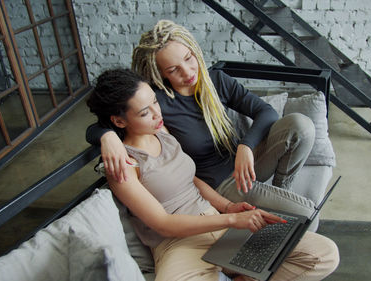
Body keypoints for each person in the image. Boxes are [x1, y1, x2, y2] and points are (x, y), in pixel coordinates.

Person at [86, 68, 339, 281]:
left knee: (324, 253)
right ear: (119, 122)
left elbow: (191, 180)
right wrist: (230, 221)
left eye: (154, 101)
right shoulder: (122, 165)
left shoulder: (163, 133)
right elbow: (162, 223)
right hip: (177, 244)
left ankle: (242, 275)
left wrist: (228, 207)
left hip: (214, 221)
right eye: (145, 112)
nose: (157, 112)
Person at [86, 20, 317, 199]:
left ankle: (283, 189)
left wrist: (246, 146)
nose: (188, 72)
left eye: (189, 58)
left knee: (301, 126)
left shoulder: (215, 81)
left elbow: (266, 112)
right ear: (160, 74)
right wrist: (107, 137)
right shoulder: (158, 102)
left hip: (247, 164)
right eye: (174, 69)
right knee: (301, 214)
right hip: (220, 186)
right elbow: (100, 126)